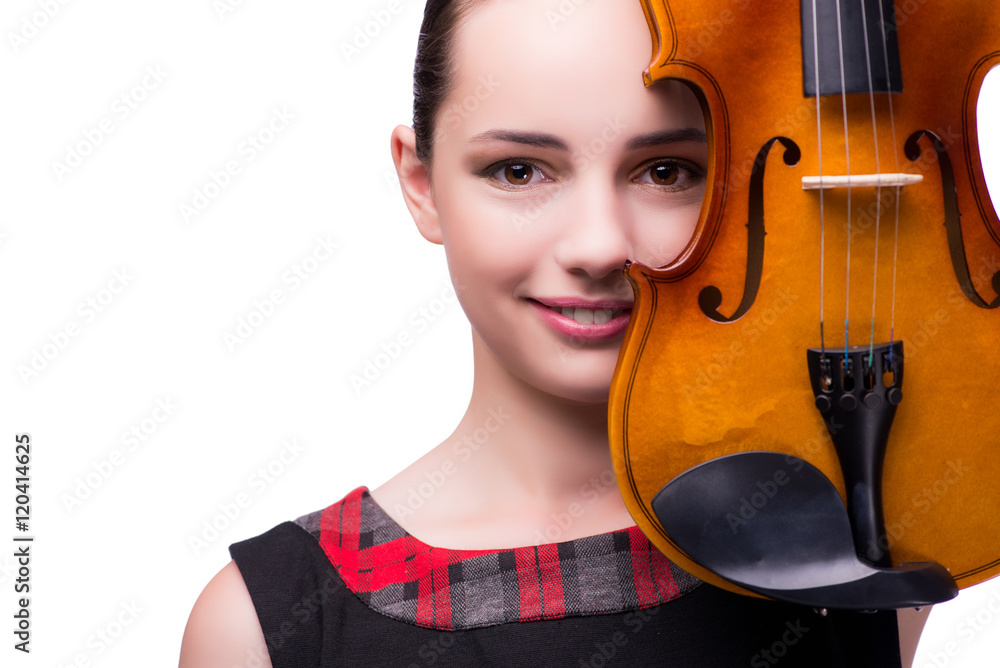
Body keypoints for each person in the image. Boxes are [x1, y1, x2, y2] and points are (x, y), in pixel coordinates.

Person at [179, 1, 926, 665]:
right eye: (518, 171)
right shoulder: (258, 628)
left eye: (667, 171)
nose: (599, 245)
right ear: (421, 184)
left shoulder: (872, 535)